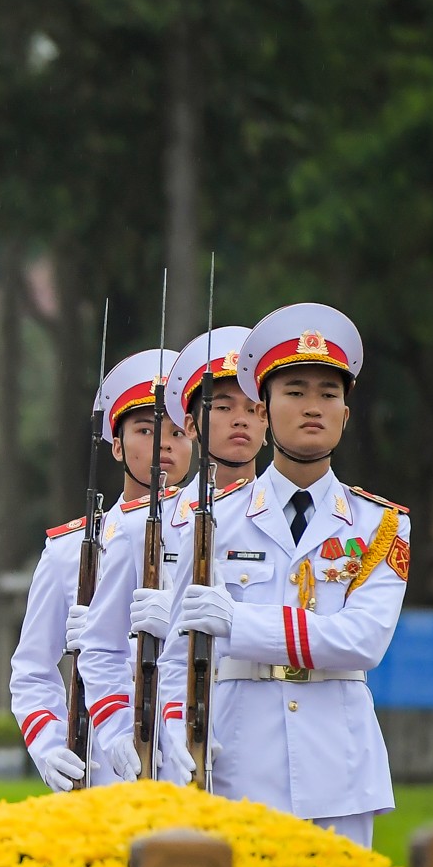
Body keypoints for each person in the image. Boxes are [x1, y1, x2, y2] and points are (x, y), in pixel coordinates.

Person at [159, 305, 403, 844]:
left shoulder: (382, 524)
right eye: (294, 391)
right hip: (237, 760)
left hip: (338, 769)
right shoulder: (210, 520)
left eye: (328, 393)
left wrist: (238, 624)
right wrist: (174, 730)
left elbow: (362, 641)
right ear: (266, 408)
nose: (312, 407)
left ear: (346, 413)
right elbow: (177, 656)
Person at [125, 326, 263, 778]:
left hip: (262, 731)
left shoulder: (291, 520)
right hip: (171, 738)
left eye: (252, 408)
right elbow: (106, 650)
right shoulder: (148, 522)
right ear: (192, 424)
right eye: (222, 407)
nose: (238, 420)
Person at [71, 348, 194, 783]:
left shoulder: (213, 527)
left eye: (179, 432)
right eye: (147, 429)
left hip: (190, 740)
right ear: (117, 447)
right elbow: (32, 669)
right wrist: (51, 747)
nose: (164, 443)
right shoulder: (72, 546)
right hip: (109, 751)